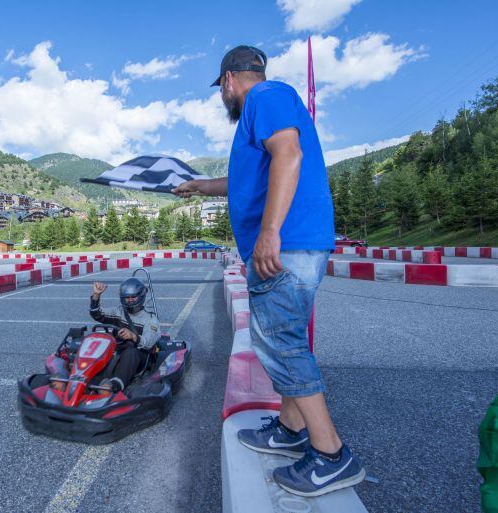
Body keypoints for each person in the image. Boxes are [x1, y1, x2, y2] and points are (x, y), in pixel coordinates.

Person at [173, 45, 364, 497]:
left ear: (228, 82)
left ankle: (332, 454)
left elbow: (289, 155)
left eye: (222, 90)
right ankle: (289, 427)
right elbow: (247, 178)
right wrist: (202, 187)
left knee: (281, 342)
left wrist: (269, 232)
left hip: (288, 243)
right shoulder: (263, 110)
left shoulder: (265, 97)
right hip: (292, 242)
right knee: (281, 336)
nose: (224, 98)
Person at [89, 278, 161, 392]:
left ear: (141, 296)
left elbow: (149, 341)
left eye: (133, 297)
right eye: (127, 298)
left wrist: (133, 336)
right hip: (117, 349)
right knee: (95, 342)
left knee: (130, 352)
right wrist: (96, 295)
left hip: (138, 354)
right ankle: (83, 378)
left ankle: (115, 386)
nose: (130, 301)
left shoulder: (150, 319)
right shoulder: (118, 312)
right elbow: (97, 314)